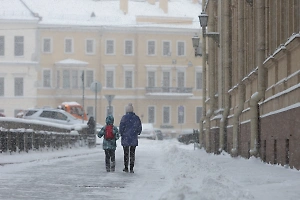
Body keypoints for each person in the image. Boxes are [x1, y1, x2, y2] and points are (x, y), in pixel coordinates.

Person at [119, 103, 142, 173]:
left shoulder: (124, 118)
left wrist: (122, 133)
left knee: (126, 153)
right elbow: (139, 127)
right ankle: (131, 168)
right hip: (133, 138)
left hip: (126, 138)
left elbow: (121, 127)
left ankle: (126, 167)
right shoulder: (136, 118)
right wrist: (137, 132)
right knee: (132, 153)